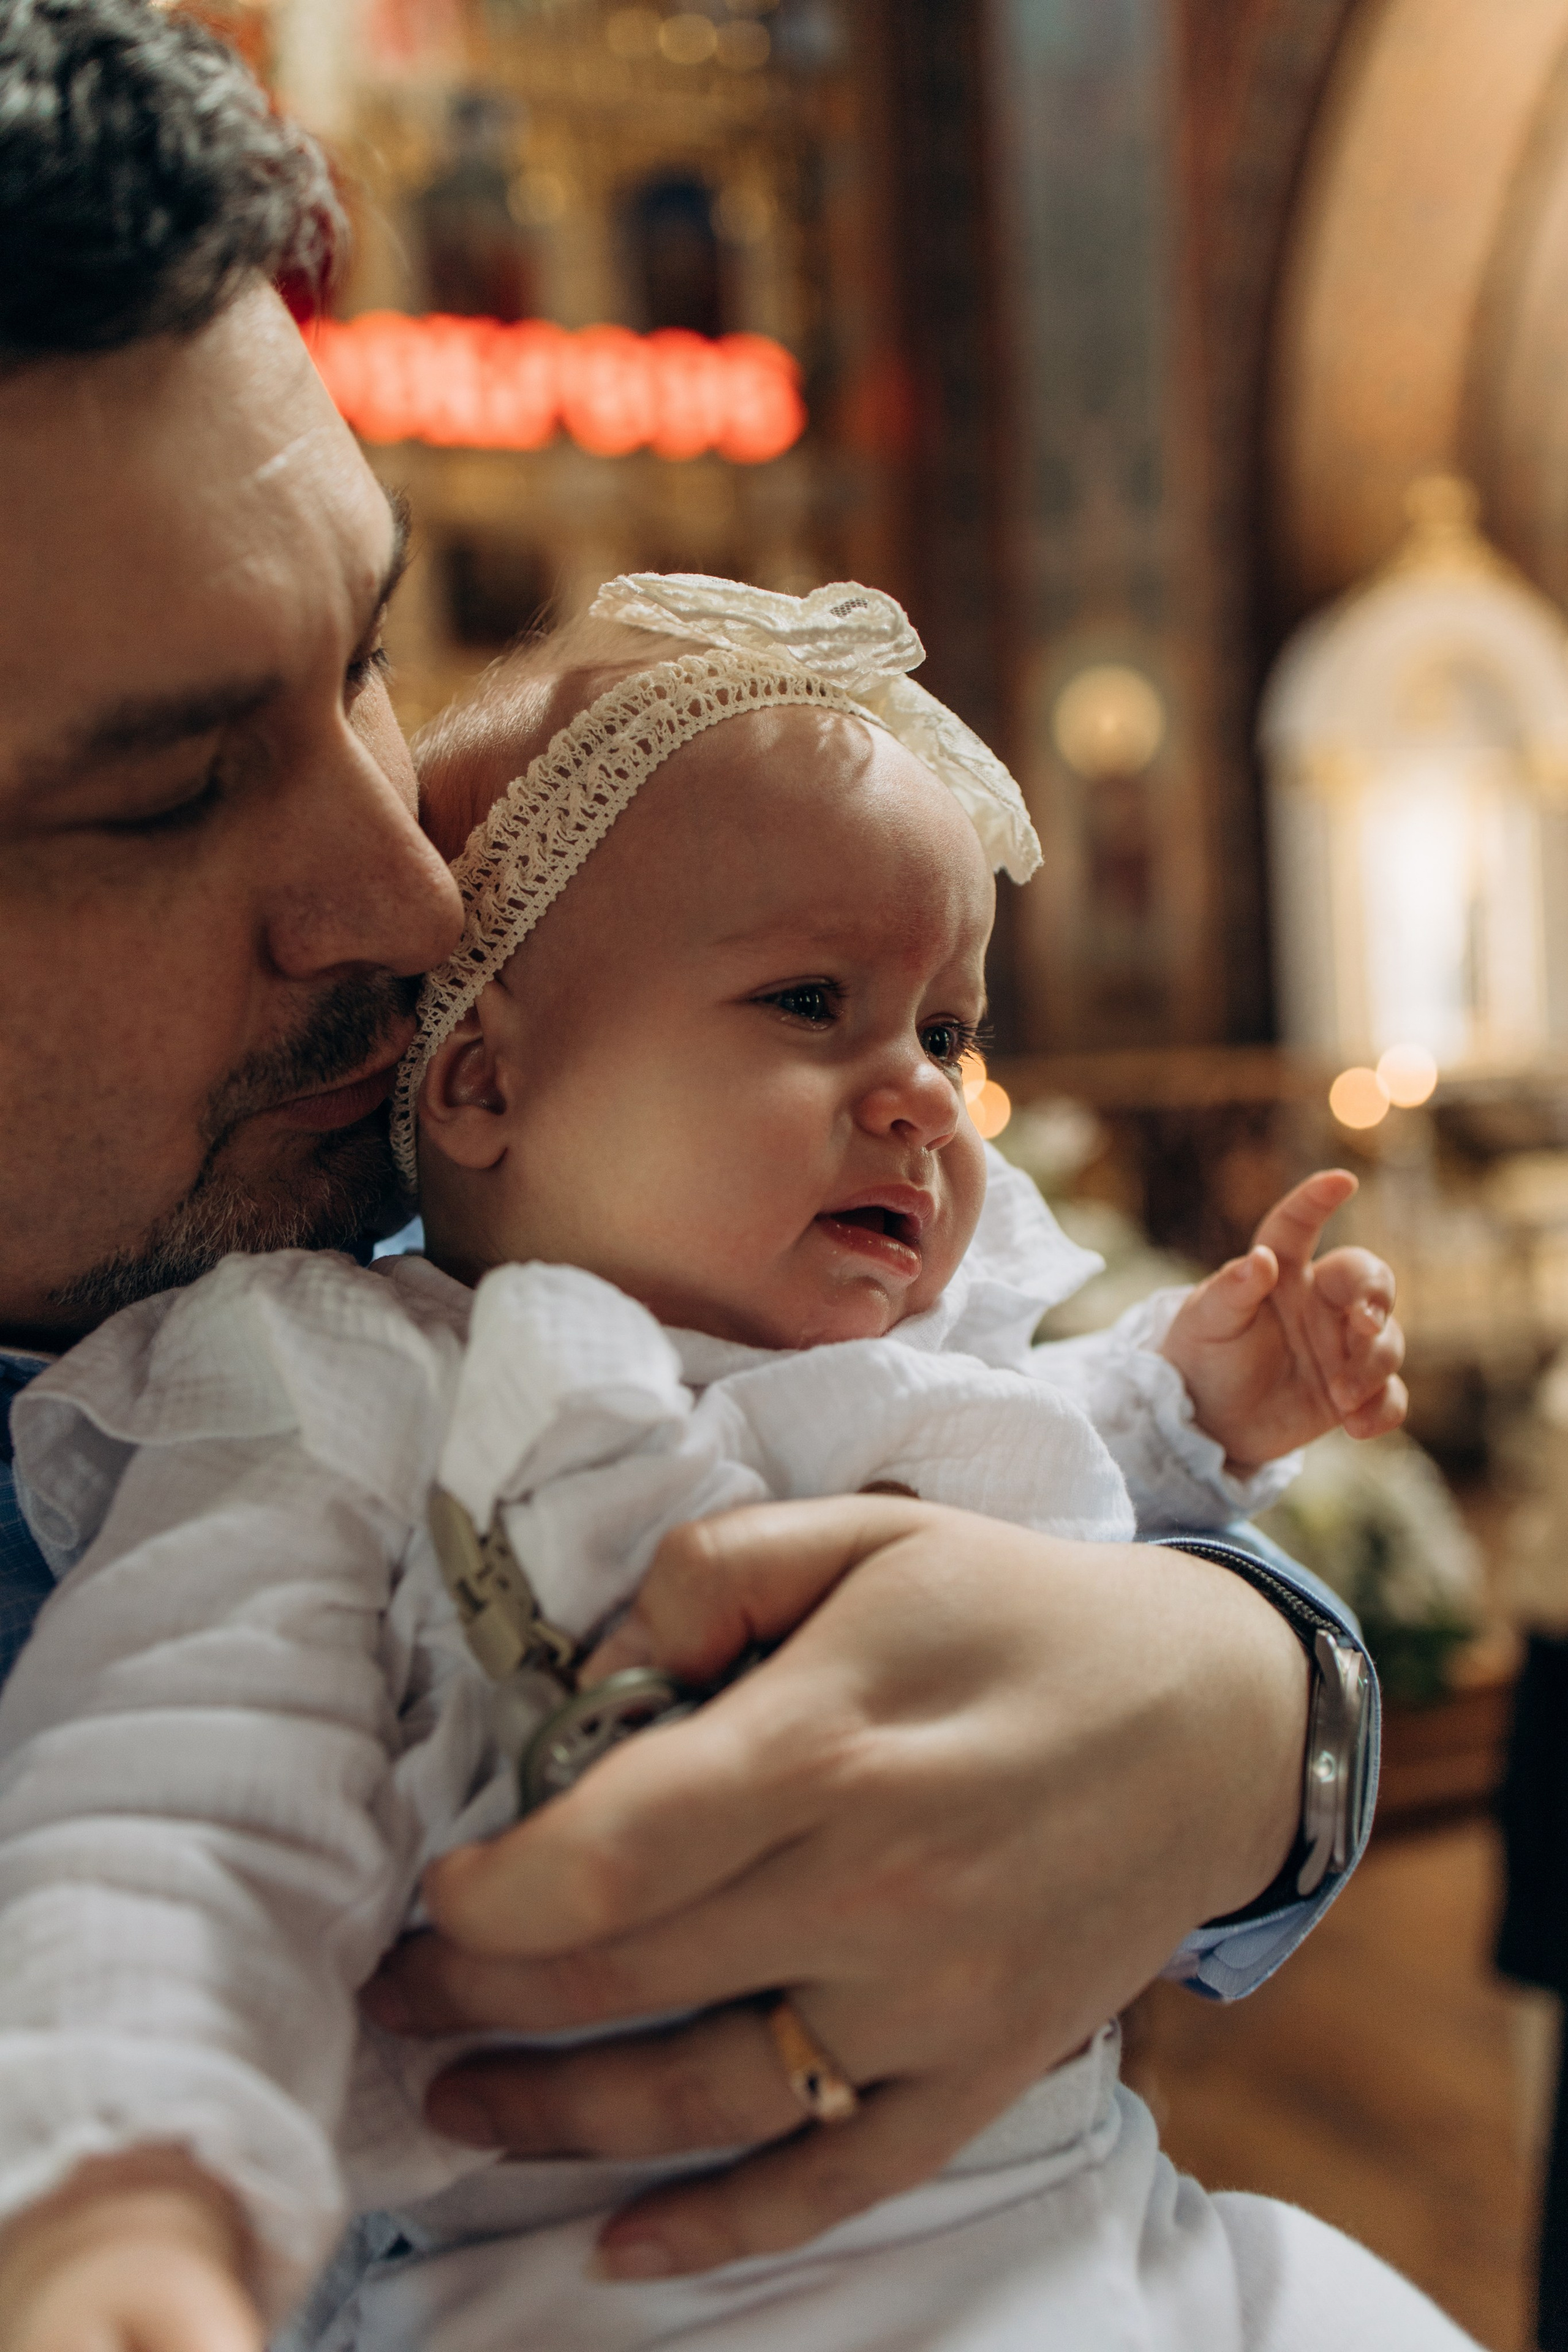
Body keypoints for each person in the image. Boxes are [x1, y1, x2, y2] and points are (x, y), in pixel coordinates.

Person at [0, 0, 1371, 2311]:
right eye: (158, 791)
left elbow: (1043, 1457)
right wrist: (131, 2203)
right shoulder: (306, 1379)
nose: (417, 907)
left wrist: (1247, 1711)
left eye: (359, 661)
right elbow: (179, 1833)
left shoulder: (429, 1193)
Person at [0, 573, 1472, 2352]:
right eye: (807, 1001)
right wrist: (130, 2183)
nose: (926, 1095)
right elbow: (184, 1779)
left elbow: (1058, 1478)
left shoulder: (896, 1370)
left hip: (1094, 2219)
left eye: (944, 1028)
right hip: (632, 2297)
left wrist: (1202, 1412)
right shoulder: (352, 1387)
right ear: (482, 1084)